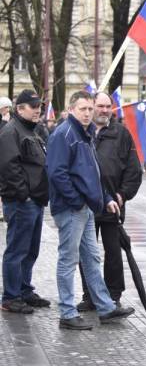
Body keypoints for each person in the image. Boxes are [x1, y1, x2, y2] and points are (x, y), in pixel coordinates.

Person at [47, 91, 135, 330]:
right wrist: (77, 201)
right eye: (82, 109)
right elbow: (57, 173)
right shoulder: (64, 134)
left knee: (92, 258)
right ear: (71, 109)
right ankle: (67, 313)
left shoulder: (86, 133)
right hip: (72, 208)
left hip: (85, 207)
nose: (87, 113)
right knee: (68, 259)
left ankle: (105, 307)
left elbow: (93, 172)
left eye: (89, 109)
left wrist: (105, 197)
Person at [77, 92, 142, 311]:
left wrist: (123, 195)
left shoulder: (121, 133)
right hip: (85, 205)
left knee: (113, 252)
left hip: (113, 204)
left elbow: (133, 170)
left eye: (108, 106)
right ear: (91, 106)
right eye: (100, 106)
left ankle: (113, 295)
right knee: (86, 252)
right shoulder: (80, 131)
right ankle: (89, 295)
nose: (104, 110)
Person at [0, 90, 51, 314]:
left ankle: (24, 289)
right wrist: (25, 195)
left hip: (34, 200)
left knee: (30, 250)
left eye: (38, 105)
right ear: (19, 109)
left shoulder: (30, 129)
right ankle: (11, 297)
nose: (37, 109)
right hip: (22, 202)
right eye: (33, 106)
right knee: (17, 251)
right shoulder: (11, 131)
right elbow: (9, 168)